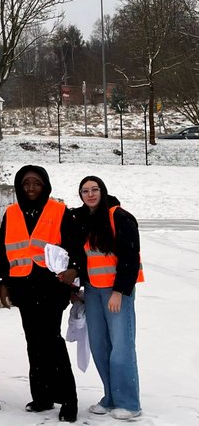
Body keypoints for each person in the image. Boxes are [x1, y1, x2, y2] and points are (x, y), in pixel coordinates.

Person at [0, 166, 78, 422]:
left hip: (52, 287)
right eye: (26, 183)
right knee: (34, 342)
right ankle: (42, 396)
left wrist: (74, 271)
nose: (30, 188)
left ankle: (69, 399)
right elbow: (2, 250)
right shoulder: (11, 212)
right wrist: (3, 282)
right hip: (23, 287)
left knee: (51, 341)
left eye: (36, 183)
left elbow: (74, 245)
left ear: (45, 186)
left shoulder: (59, 211)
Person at [71, 176, 144, 421]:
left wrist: (119, 291)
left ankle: (129, 402)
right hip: (93, 291)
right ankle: (110, 397)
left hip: (116, 292)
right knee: (100, 346)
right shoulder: (82, 219)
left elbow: (130, 257)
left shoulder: (120, 217)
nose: (90, 194)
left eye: (94, 190)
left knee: (121, 347)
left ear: (102, 191)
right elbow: (83, 259)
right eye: (85, 191)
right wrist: (78, 288)